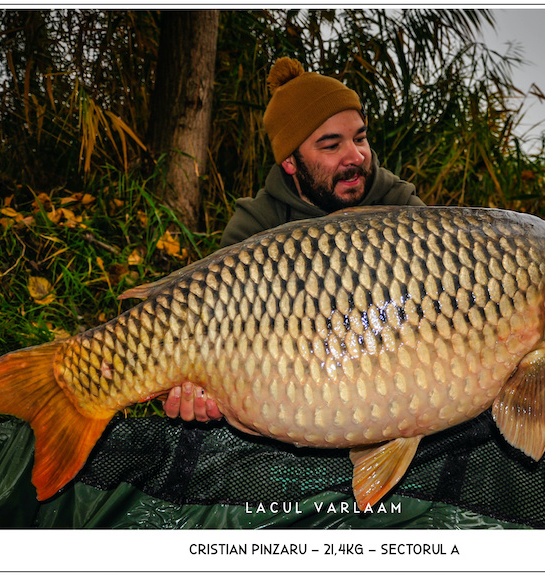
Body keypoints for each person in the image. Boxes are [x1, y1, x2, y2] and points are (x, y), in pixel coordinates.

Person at [162, 56, 425, 421]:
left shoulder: (402, 207)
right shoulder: (255, 226)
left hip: (384, 386)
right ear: (290, 162)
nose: (356, 155)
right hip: (289, 397)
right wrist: (202, 391)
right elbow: (212, 332)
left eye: (360, 137)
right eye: (331, 145)